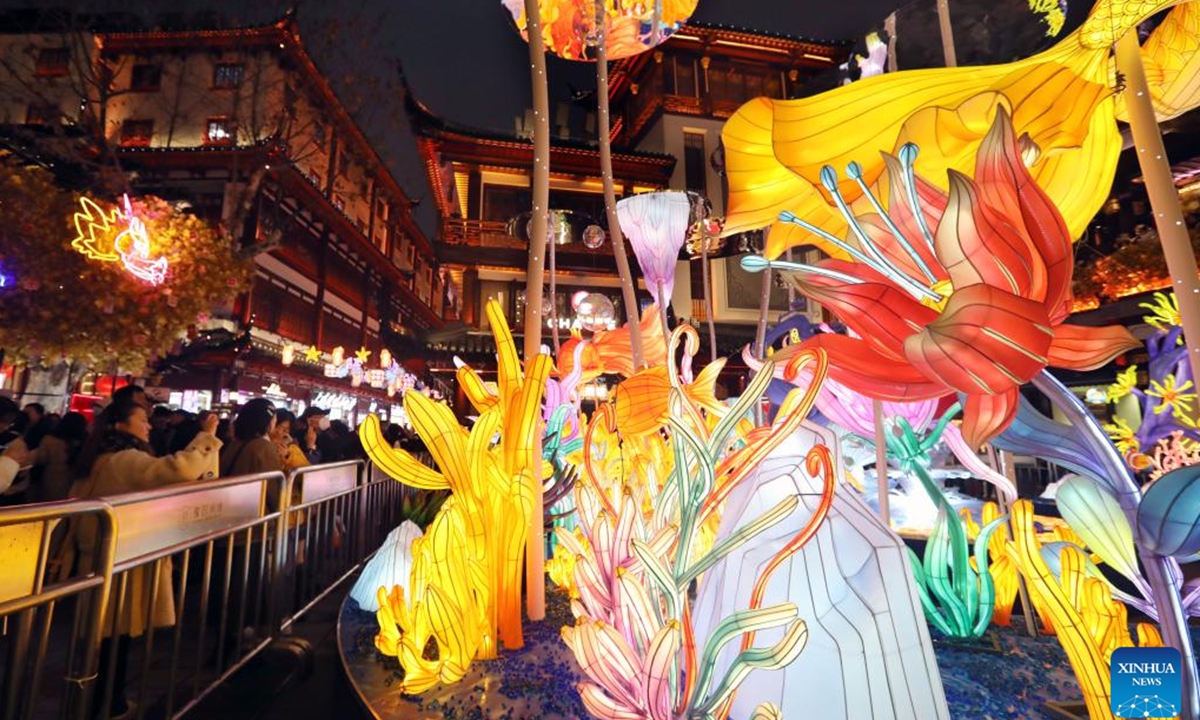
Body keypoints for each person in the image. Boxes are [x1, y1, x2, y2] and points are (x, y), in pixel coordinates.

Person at [73, 400, 221, 720]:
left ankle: (104, 702)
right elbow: (179, 470)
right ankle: (108, 705)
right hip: (120, 559)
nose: (149, 425)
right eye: (142, 419)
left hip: (103, 558)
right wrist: (206, 436)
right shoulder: (125, 459)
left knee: (107, 638)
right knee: (114, 641)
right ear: (121, 425)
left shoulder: (98, 456)